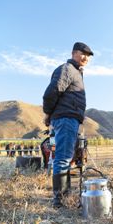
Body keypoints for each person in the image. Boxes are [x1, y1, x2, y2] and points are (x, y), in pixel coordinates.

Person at [43, 42, 93, 208]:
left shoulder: (76, 72)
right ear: (73, 53)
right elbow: (52, 91)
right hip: (65, 118)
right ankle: (60, 201)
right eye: (82, 53)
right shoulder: (68, 69)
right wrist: (47, 113)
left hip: (69, 119)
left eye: (88, 55)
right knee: (63, 159)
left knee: (66, 158)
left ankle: (65, 196)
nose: (85, 57)